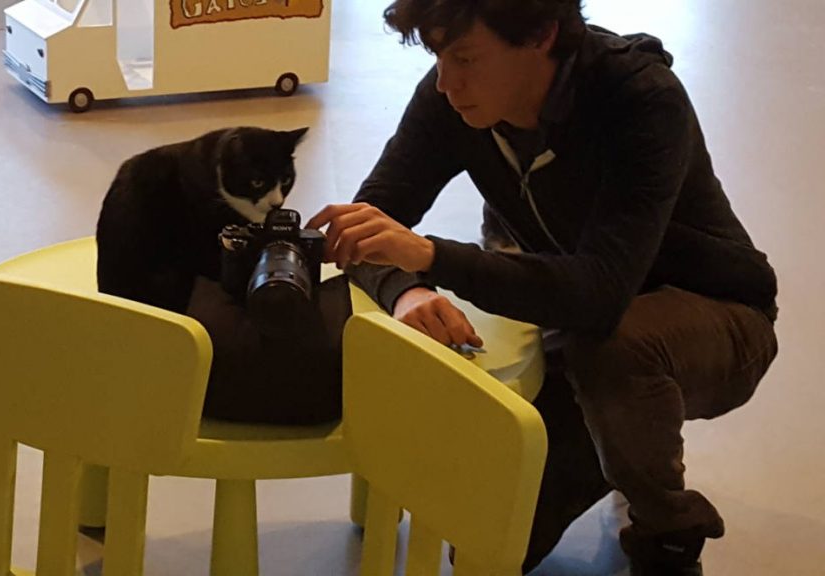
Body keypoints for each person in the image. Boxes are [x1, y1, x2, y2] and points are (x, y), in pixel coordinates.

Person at [306, 1, 778, 574]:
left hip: (716, 313)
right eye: (437, 57)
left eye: (466, 59)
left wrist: (431, 256)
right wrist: (409, 291)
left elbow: (602, 294)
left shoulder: (641, 99)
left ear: (540, 35)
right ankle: (612, 441)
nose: (446, 83)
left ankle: (668, 532)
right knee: (485, 541)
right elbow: (369, 223)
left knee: (615, 352)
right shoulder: (449, 99)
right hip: (570, 322)